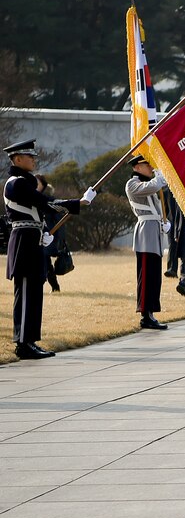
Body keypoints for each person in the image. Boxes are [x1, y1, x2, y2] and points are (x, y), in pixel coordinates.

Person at [4, 140, 92, 358]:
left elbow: (37, 211)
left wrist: (42, 231)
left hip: (32, 238)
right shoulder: (17, 183)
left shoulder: (26, 182)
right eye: (29, 156)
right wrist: (78, 203)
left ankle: (30, 341)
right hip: (24, 240)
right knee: (25, 294)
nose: (34, 159)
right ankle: (22, 343)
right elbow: (46, 203)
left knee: (34, 293)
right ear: (17, 159)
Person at [125, 154, 170, 330]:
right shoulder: (133, 184)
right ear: (136, 167)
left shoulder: (147, 184)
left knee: (154, 276)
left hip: (154, 230)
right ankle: (145, 314)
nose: (151, 167)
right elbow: (154, 185)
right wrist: (160, 174)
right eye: (147, 164)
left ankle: (151, 312)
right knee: (146, 275)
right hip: (146, 232)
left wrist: (164, 222)